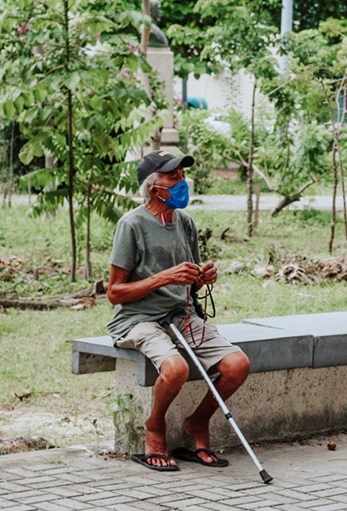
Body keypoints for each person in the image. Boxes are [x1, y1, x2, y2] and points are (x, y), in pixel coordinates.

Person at [106, 150, 251, 471]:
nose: (182, 182)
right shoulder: (131, 224)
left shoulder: (184, 222)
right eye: (174, 178)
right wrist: (164, 277)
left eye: (182, 176)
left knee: (237, 365)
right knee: (176, 369)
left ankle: (197, 422)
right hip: (138, 319)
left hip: (181, 315)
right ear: (153, 187)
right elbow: (114, 293)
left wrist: (202, 278)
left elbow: (189, 284)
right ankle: (155, 427)